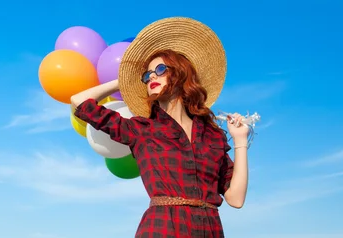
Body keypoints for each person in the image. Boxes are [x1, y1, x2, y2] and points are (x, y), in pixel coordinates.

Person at [71, 17, 250, 238]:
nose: (152, 76)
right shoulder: (140, 129)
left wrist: (240, 141)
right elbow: (79, 101)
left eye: (161, 69)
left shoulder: (212, 135)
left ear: (182, 72)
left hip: (210, 229)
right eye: (147, 75)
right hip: (163, 228)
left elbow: (236, 199)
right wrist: (123, 80)